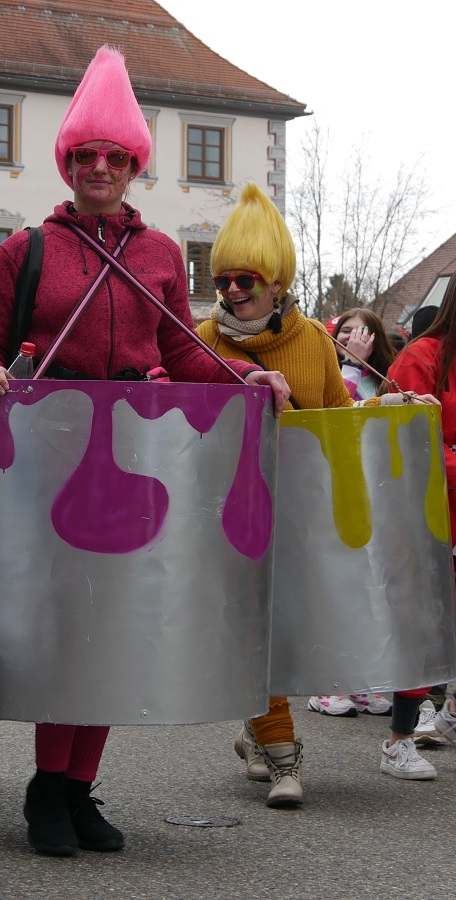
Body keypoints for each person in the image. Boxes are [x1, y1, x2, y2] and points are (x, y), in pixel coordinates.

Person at [0, 46, 291, 856]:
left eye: (114, 156)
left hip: (131, 456)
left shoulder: (157, 255)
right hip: (52, 453)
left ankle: (77, 789)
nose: (100, 166)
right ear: (67, 163)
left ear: (134, 163)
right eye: (85, 155)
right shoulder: (24, 249)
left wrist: (245, 373)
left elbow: (182, 353)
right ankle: (46, 788)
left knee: (112, 624)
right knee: (65, 624)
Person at [196, 183, 433, 797]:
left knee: (283, 626)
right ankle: (282, 752)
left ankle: (258, 726)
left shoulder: (311, 341)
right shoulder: (201, 338)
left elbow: (339, 418)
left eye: (246, 278)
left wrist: (398, 408)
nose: (233, 292)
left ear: (276, 282)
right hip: (225, 513)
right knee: (251, 624)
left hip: (294, 515)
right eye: (223, 280)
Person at [387, 279, 456, 771]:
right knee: (422, 621)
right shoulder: (424, 355)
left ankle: (448, 716)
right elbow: (406, 442)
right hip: (429, 512)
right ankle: (398, 739)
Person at [332, 307, 397, 401]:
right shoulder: (325, 375)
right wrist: (352, 363)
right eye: (346, 331)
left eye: (362, 332)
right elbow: (338, 405)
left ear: (376, 342)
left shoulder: (390, 376)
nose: (352, 338)